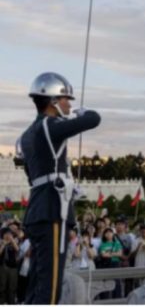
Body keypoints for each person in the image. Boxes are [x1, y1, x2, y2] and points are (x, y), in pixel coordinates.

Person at [18, 72, 101, 303]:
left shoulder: (26, 135)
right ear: (53, 101)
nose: (69, 104)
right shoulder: (51, 126)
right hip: (52, 210)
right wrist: (82, 113)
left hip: (37, 210)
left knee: (38, 279)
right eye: (66, 98)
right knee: (51, 285)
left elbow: (31, 174)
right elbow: (94, 119)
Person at [0, 228, 19, 304]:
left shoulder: (14, 242)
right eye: (6, 234)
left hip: (12, 268)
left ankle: (11, 302)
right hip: (2, 267)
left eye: (10, 234)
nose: (8, 235)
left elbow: (18, 250)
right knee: (2, 286)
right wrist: (3, 244)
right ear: (2, 235)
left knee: (12, 287)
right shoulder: (1, 242)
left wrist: (12, 241)